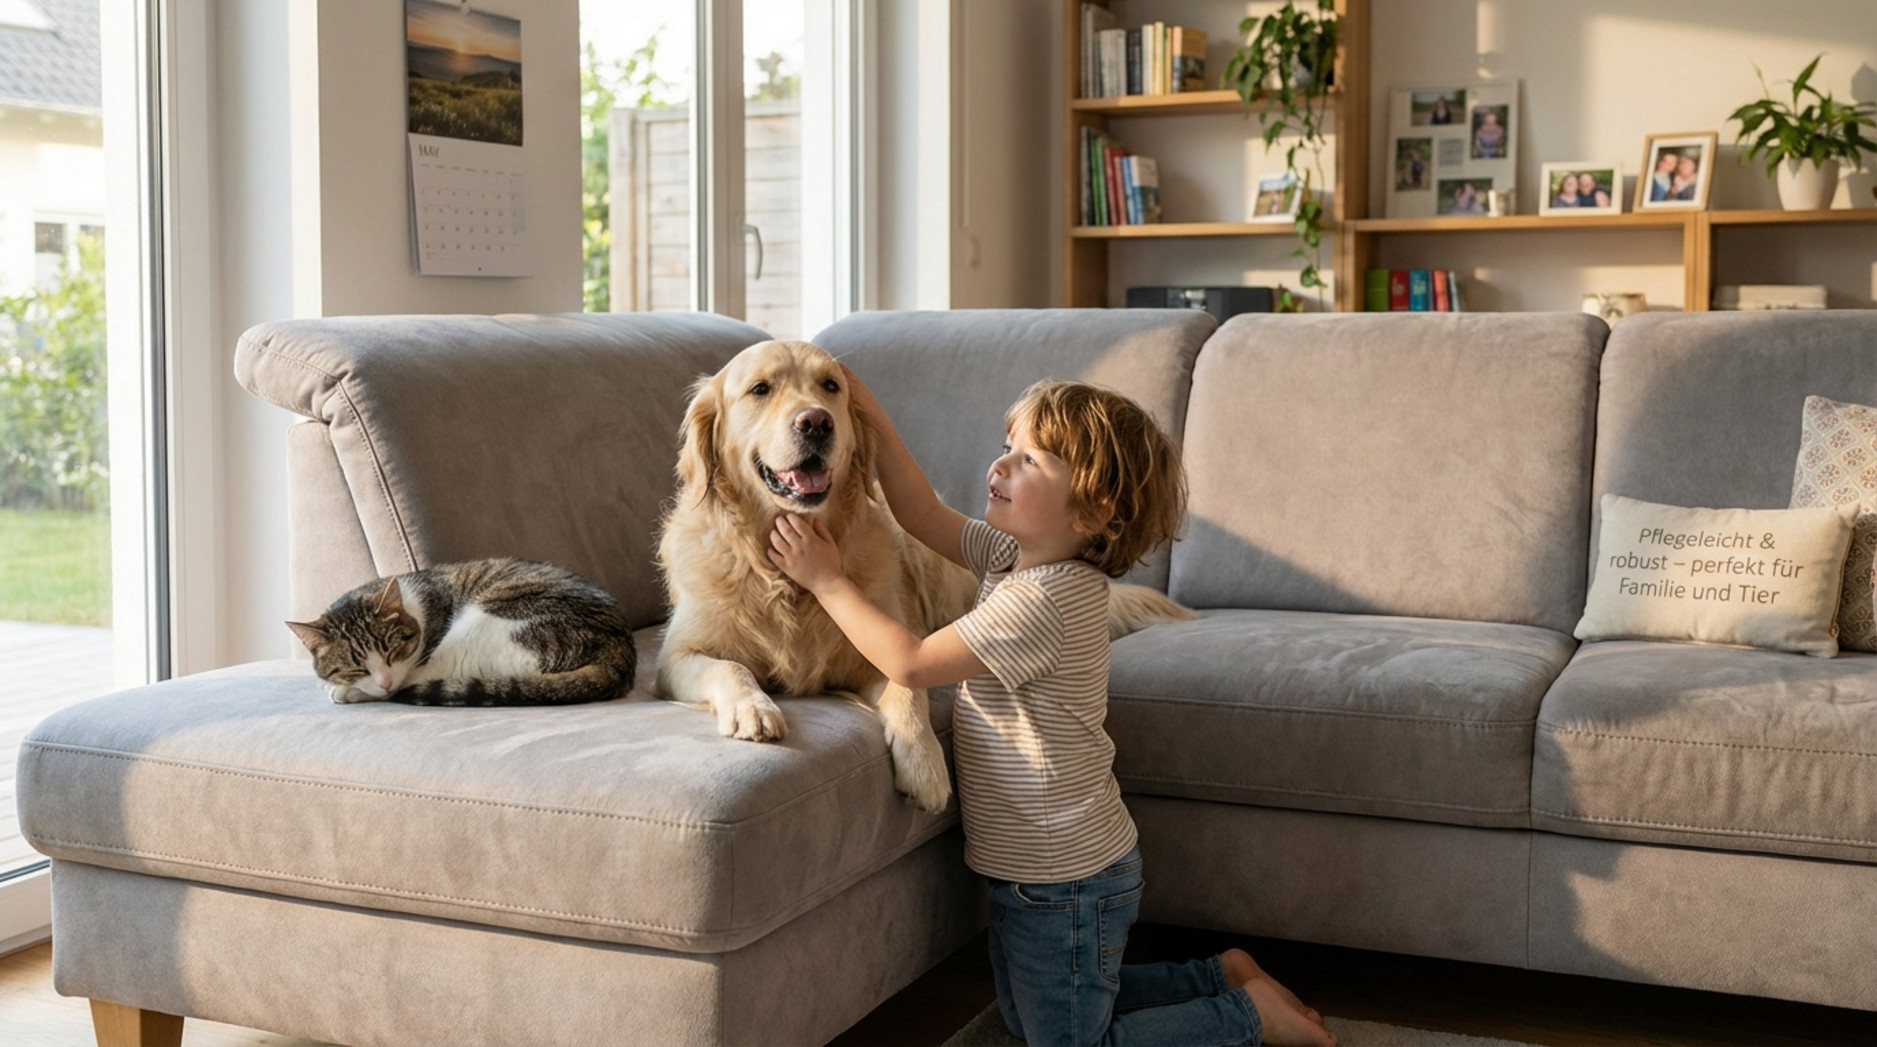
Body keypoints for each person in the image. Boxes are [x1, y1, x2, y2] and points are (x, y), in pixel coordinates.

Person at [769, 372, 1337, 1047]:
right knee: (1042, 1014)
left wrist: (826, 579)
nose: (1000, 463)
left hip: (1065, 878)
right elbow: (919, 513)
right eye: (1007, 445)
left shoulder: (1042, 601)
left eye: (1029, 459)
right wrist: (869, 414)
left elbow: (911, 663)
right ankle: (1220, 976)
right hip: (1041, 870)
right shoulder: (1017, 557)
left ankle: (1247, 1018)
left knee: (1067, 1042)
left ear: (1090, 513)